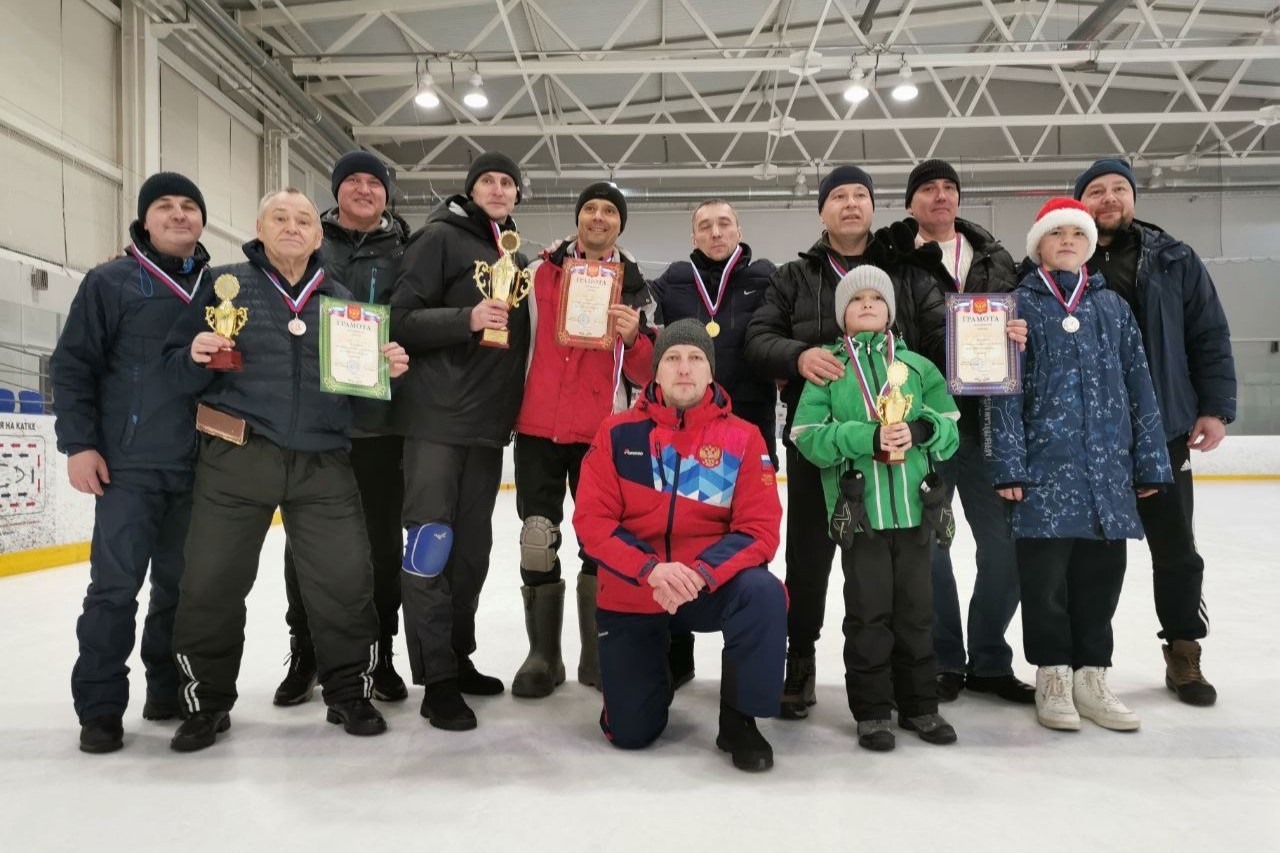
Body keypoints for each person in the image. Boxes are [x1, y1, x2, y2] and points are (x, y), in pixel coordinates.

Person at [162, 188, 409, 752]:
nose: (293, 226)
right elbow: (175, 372)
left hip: (323, 461)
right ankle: (206, 703)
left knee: (346, 582)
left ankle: (349, 693)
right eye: (281, 217)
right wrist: (193, 353)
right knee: (211, 583)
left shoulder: (342, 301)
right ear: (260, 227)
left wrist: (385, 370)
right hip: (237, 456)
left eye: (303, 219)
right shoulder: (222, 284)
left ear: (319, 236)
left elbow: (365, 405)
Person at [743, 165, 945, 719]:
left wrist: (992, 336)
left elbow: (938, 338)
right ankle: (800, 657)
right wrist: (797, 355)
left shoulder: (903, 269)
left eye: (861, 195)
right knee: (808, 558)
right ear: (822, 211)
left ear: (874, 207)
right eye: (838, 196)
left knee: (906, 571)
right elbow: (757, 339)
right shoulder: (793, 276)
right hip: (824, 444)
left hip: (900, 456)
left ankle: (914, 675)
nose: (851, 203)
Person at [987, 197, 1172, 732]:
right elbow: (1002, 395)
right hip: (1046, 472)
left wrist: (1150, 463)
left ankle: (1092, 675)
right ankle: (1053, 675)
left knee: (1101, 577)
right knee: (1044, 582)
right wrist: (1009, 467)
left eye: (1076, 233)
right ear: (1038, 247)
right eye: (1055, 233)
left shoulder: (1113, 308)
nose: (1067, 240)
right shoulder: (1014, 308)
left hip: (1107, 474)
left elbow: (1141, 386)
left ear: (1090, 245)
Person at [573, 319, 786, 772]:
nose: (684, 368)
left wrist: (700, 573)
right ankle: (653, 672)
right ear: (655, 372)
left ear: (711, 372)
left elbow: (759, 529)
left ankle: (739, 720)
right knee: (630, 734)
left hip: (706, 585)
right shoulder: (616, 434)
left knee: (763, 593)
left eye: (695, 358)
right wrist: (651, 569)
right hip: (637, 588)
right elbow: (592, 522)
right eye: (672, 358)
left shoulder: (743, 437)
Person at [51, 172, 211, 754]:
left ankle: (165, 688)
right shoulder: (110, 282)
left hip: (199, 467)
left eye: (189, 206)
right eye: (164, 206)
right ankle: (100, 708)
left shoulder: (221, 289)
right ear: (144, 220)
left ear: (201, 221)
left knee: (180, 588)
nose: (178, 215)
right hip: (128, 466)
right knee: (114, 589)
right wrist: (79, 443)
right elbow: (72, 367)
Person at [1075, 158, 1236, 707]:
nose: (1109, 198)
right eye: (1096, 191)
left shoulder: (1175, 258)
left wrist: (1214, 407)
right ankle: (1086, 662)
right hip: (1090, 436)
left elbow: (1208, 334)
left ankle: (1184, 651)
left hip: (1163, 426)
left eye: (1119, 188)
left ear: (1133, 198)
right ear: (1081, 203)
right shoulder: (1064, 258)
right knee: (1096, 554)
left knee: (1175, 548)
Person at [876, 159, 1031, 704]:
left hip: (990, 426)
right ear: (911, 202)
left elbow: (1023, 319)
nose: (940, 197)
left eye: (948, 188)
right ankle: (944, 657)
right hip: (927, 425)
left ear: (958, 198)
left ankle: (989, 657)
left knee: (1005, 547)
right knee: (931, 549)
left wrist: (1022, 330)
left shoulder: (995, 257)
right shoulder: (892, 260)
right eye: (927, 189)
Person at [791, 265, 960, 751]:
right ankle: (871, 711)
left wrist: (922, 430)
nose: (867, 304)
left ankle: (920, 706)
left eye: (876, 299)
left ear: (890, 311)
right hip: (861, 514)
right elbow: (805, 437)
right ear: (842, 315)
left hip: (914, 514)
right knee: (868, 615)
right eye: (856, 299)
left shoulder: (917, 367)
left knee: (917, 613)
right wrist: (863, 436)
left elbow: (949, 425)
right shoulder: (829, 367)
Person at [391, 151, 529, 731]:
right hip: (436, 424)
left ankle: (459, 655)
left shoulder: (508, 253)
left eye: (508, 182)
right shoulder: (437, 239)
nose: (498, 189)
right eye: (488, 180)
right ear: (471, 189)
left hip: (486, 430)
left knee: (472, 553)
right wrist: (465, 319)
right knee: (432, 548)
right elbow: (397, 320)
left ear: (517, 195)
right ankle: (437, 680)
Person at [273, 151, 412, 708]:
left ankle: (380, 654)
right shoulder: (310, 242)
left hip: (382, 426)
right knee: (305, 549)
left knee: (381, 549)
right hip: (316, 426)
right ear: (336, 191)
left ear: (386, 194)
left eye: (373, 182)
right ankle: (305, 649)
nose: (363, 189)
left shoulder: (408, 250)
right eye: (351, 180)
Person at [510, 181, 655, 698]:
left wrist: (635, 336)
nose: (598, 217)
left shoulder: (637, 286)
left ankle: (598, 655)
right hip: (537, 427)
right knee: (536, 539)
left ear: (619, 224)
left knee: (602, 543)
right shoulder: (535, 272)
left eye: (609, 211)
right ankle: (543, 657)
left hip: (602, 434)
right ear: (578, 218)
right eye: (589, 208)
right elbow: (511, 341)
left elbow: (645, 372)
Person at [648, 198, 778, 689]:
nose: (715, 232)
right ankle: (675, 654)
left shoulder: (767, 280)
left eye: (724, 223)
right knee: (675, 537)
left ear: (739, 229)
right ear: (693, 236)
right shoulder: (673, 283)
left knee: (748, 547)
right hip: (681, 435)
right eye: (705, 225)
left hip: (747, 431)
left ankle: (741, 670)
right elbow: (634, 300)